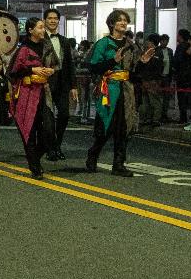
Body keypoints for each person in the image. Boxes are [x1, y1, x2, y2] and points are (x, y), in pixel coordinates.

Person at [85, 9, 152, 176]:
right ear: (112, 24)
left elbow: (135, 72)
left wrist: (143, 63)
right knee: (105, 128)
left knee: (124, 127)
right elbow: (93, 66)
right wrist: (112, 61)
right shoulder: (103, 43)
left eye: (125, 20)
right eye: (119, 20)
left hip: (126, 91)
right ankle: (93, 154)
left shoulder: (132, 45)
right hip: (108, 90)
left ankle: (118, 164)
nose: (123, 23)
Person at [9, 17, 56, 178]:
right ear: (30, 30)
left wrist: (51, 71)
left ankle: (34, 157)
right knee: (29, 130)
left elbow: (55, 65)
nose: (43, 30)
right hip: (27, 94)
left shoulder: (47, 47)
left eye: (43, 28)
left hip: (44, 92)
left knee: (49, 131)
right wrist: (32, 71)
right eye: (40, 27)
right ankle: (35, 167)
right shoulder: (23, 50)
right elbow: (13, 73)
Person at [39, 10, 76, 158]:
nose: (53, 21)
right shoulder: (40, 39)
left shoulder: (65, 41)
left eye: (55, 18)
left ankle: (57, 145)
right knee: (47, 119)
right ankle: (49, 148)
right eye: (50, 18)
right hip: (45, 83)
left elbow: (70, 64)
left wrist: (73, 86)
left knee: (65, 115)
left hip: (62, 83)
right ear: (45, 20)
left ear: (59, 21)